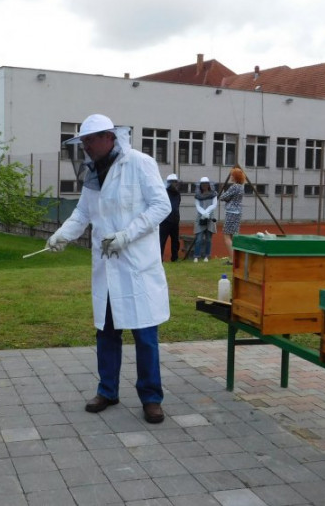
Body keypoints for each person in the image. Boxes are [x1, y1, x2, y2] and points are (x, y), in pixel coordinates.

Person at [47, 113, 171, 424]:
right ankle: (108, 390)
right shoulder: (92, 173)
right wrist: (62, 234)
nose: (86, 146)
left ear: (109, 137)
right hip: (107, 268)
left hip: (137, 267)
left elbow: (162, 206)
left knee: (145, 337)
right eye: (83, 141)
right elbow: (82, 213)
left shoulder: (140, 164)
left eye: (90, 140)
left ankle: (151, 397)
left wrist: (127, 235)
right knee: (107, 334)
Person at [219, 167, 246, 265]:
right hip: (238, 212)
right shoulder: (241, 187)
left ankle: (232, 259)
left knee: (226, 236)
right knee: (234, 236)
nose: (231, 176)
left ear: (235, 177)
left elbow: (223, 197)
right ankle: (237, 258)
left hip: (231, 212)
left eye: (232, 175)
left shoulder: (234, 187)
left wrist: (223, 194)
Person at [193, 176, 218, 262]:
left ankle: (207, 256)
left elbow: (214, 205)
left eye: (206, 184)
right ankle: (196, 256)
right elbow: (197, 206)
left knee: (208, 239)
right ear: (200, 185)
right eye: (203, 184)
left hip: (210, 218)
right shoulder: (197, 195)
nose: (204, 186)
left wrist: (207, 212)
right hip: (200, 217)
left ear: (209, 185)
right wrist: (203, 213)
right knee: (199, 238)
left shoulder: (214, 194)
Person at [159, 173, 181, 261]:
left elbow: (177, 206)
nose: (174, 184)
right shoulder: (163, 192)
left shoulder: (178, 194)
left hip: (175, 220)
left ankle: (175, 257)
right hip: (165, 220)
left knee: (175, 240)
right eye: (172, 182)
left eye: (175, 182)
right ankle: (160, 258)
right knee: (162, 240)